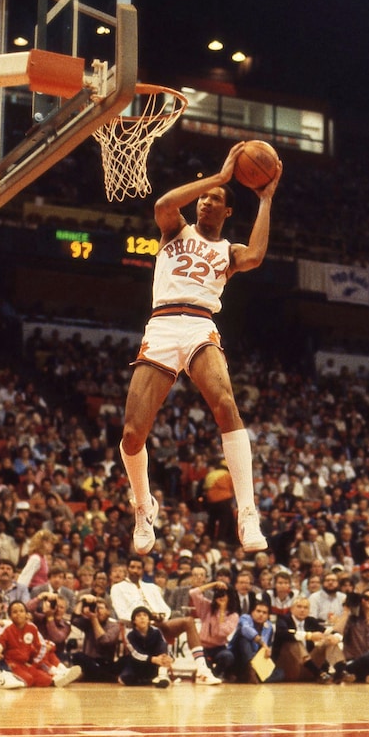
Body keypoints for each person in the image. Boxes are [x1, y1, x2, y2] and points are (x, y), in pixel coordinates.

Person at [119, 142, 282, 557]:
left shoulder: (228, 252)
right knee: (132, 433)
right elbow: (163, 202)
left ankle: (247, 511)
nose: (207, 202)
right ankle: (143, 505)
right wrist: (221, 177)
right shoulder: (175, 230)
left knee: (226, 405)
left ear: (228, 213)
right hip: (162, 325)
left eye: (216, 200)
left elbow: (258, 255)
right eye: (204, 197)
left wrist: (265, 199)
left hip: (200, 325)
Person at [110, 554, 221, 684]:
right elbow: (121, 613)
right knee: (156, 630)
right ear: (127, 568)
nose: (135, 570)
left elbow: (166, 609)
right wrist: (146, 618)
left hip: (159, 623)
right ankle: (162, 674)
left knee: (188, 621)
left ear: (143, 570)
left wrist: (160, 616)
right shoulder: (117, 588)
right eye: (132, 567)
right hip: (137, 628)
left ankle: (203, 671)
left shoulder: (151, 587)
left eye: (139, 568)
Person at [0, 600, 81, 688]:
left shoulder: (31, 628)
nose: (18, 614)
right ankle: (8, 679)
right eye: (14, 612)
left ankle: (57, 677)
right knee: (28, 679)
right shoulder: (7, 629)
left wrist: (35, 662)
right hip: (12, 663)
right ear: (10, 616)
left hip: (26, 663)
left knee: (46, 680)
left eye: (21, 611)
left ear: (26, 614)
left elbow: (42, 646)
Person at [272, 595, 341, 682]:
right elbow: (282, 633)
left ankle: (341, 671)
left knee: (329, 641)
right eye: (299, 606)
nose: (302, 610)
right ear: (292, 609)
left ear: (309, 611)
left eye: (305, 607)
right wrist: (309, 636)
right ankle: (318, 673)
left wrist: (337, 637)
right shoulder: (283, 619)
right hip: (288, 667)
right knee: (294, 641)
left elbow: (328, 631)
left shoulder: (310, 621)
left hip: (306, 669)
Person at [189, 576, 240, 680]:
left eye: (224, 594)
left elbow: (220, 633)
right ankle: (206, 674)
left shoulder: (233, 615)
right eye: (218, 594)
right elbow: (193, 593)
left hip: (218, 648)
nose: (221, 597)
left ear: (230, 596)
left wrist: (222, 610)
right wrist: (214, 584)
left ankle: (213, 674)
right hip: (203, 646)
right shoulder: (207, 607)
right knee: (203, 662)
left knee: (228, 657)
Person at [118, 606, 174, 688]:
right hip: (136, 663)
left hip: (156, 662)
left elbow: (164, 644)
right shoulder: (130, 635)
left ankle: (162, 675)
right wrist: (152, 659)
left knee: (163, 652)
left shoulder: (157, 631)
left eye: (145, 615)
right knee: (127, 678)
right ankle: (151, 680)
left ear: (148, 619)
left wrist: (166, 657)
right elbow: (135, 653)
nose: (142, 618)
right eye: (138, 616)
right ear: (134, 621)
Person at [71, 596, 122, 682]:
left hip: (106, 663)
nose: (97, 611)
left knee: (123, 661)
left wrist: (94, 619)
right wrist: (82, 601)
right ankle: (104, 677)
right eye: (96, 608)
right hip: (90, 662)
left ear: (108, 612)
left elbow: (104, 641)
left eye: (101, 608)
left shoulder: (114, 626)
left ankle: (95, 675)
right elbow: (74, 619)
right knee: (77, 656)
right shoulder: (88, 623)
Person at [227, 599, 275, 683]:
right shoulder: (245, 618)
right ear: (252, 612)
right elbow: (246, 629)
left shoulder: (269, 626)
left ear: (268, 616)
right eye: (258, 611)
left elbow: (269, 644)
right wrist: (263, 644)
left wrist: (268, 650)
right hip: (237, 658)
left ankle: (248, 675)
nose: (261, 614)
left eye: (264, 613)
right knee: (244, 637)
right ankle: (250, 671)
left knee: (280, 673)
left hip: (256, 659)